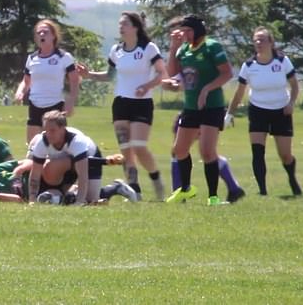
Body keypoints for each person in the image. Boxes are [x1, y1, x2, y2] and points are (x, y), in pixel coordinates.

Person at [78, 11, 167, 201]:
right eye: (120, 24)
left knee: (139, 146)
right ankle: (135, 191)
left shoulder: (148, 48)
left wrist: (147, 86)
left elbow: (162, 73)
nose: (121, 27)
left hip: (142, 104)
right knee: (126, 149)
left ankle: (156, 179)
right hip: (121, 103)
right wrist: (89, 75)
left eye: (125, 24)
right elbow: (110, 76)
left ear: (135, 27)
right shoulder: (116, 50)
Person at [164, 14, 233, 206]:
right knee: (179, 150)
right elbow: (173, 73)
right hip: (191, 107)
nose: (185, 34)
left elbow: (227, 73)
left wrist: (207, 89)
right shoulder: (184, 49)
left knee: (207, 152)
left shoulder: (212, 46)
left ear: (198, 30)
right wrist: (173, 48)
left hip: (212, 107)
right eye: (183, 31)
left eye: (188, 31)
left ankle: (213, 197)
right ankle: (186, 190)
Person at [226, 27, 302, 196]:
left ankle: (292, 179)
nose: (258, 43)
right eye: (256, 40)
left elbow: (295, 85)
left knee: (285, 155)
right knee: (258, 151)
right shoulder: (249, 65)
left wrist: (291, 103)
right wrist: (229, 113)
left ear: (271, 42)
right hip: (258, 110)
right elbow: (239, 92)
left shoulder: (282, 62)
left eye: (262, 40)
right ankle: (263, 191)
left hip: (281, 111)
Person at [15, 19, 80, 143]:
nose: (41, 35)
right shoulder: (32, 58)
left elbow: (74, 80)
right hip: (35, 105)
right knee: (33, 145)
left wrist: (71, 101)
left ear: (53, 36)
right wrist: (20, 92)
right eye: (39, 33)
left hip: (55, 106)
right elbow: (26, 81)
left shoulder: (63, 57)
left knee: (56, 144)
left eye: (45, 32)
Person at [28, 110, 103, 205]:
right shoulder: (42, 142)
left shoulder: (76, 141)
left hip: (89, 160)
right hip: (68, 163)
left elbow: (83, 175)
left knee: (91, 200)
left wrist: (79, 202)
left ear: (63, 128)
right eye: (46, 130)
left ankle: (114, 188)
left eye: (52, 130)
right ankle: (71, 193)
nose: (48, 135)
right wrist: (32, 199)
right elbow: (35, 173)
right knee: (67, 197)